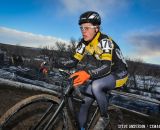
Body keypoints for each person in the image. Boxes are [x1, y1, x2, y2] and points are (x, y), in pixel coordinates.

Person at [53, 11, 128, 130]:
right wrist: (54, 63)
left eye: (87, 28)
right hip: (105, 71)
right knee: (85, 101)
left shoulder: (105, 41)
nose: (83, 31)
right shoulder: (84, 42)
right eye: (81, 28)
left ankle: (105, 116)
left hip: (119, 72)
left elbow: (107, 66)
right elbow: (73, 61)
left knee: (96, 85)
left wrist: (88, 74)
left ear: (96, 28)